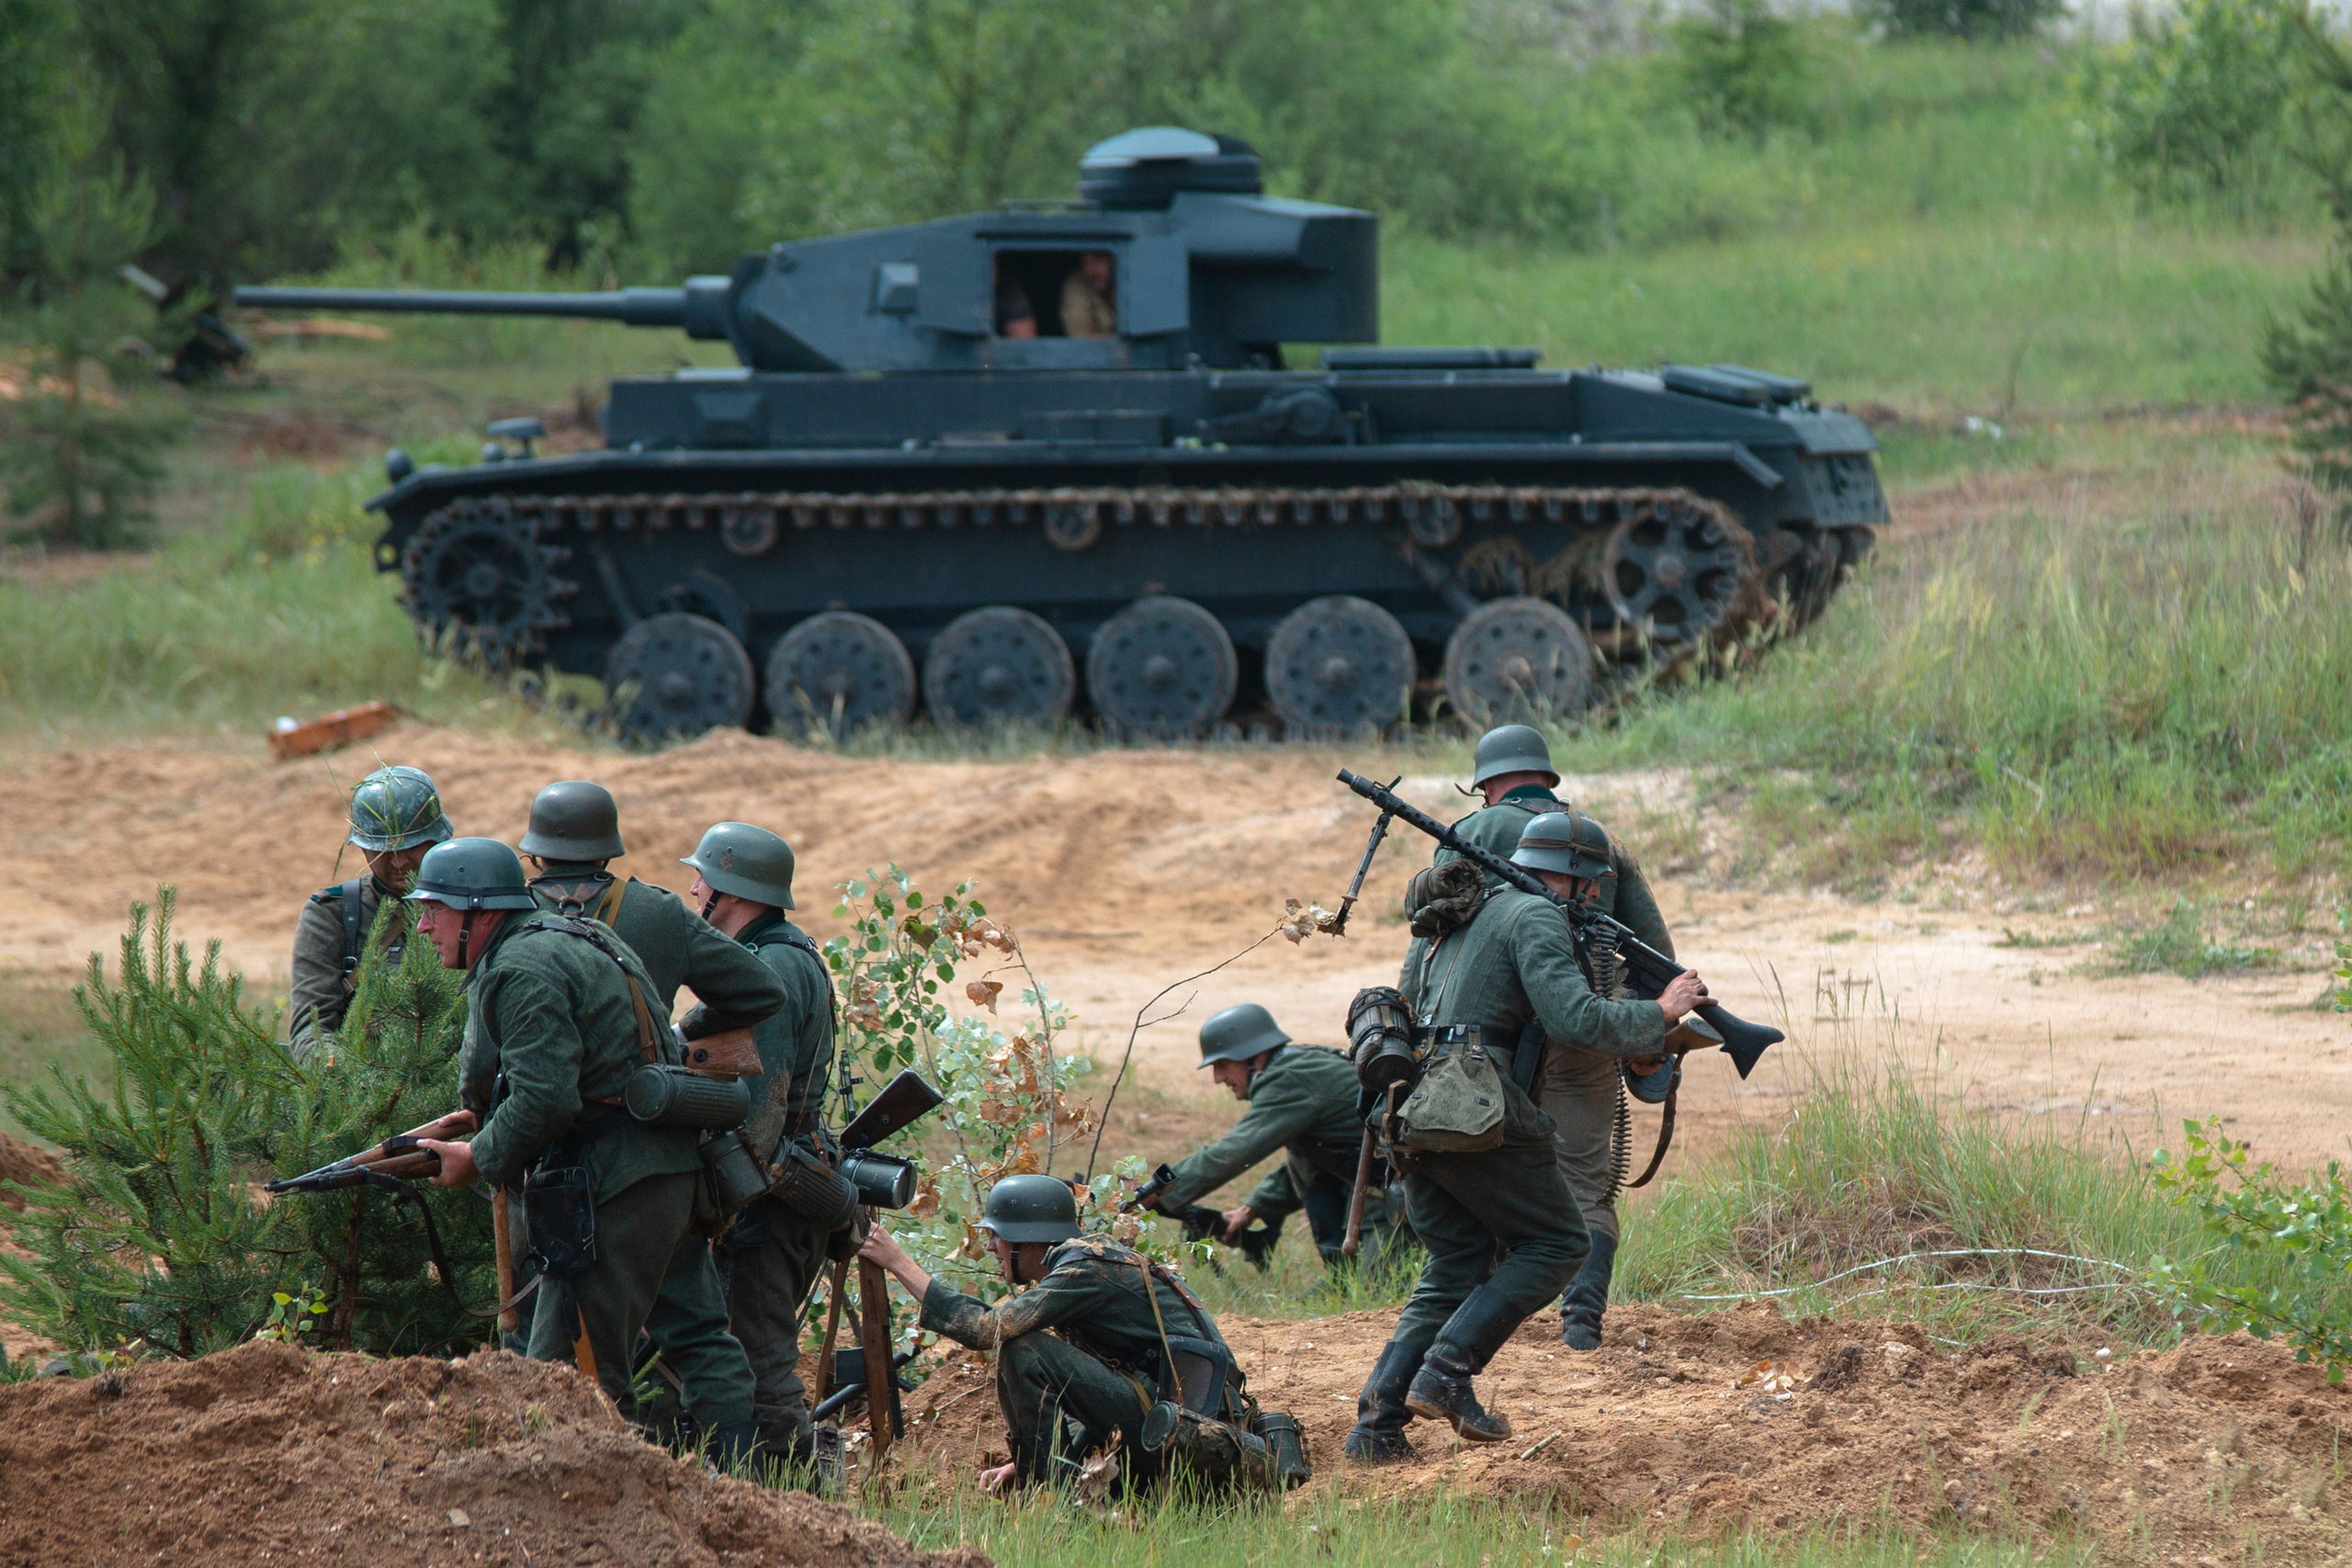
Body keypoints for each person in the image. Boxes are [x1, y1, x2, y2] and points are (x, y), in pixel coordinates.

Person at [1345, 815, 1707, 1462]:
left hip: (1412, 1109)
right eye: (1589, 884)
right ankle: (1449, 1369)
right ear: (1567, 874)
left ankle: (1375, 1426)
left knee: (1455, 1262)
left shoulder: (1462, 915)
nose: (1592, 896)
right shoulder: (1535, 916)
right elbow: (1576, 1018)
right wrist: (1661, 1011)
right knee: (1561, 1241)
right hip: (1476, 1111)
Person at [407, 837, 767, 1465]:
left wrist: (477, 1155)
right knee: (644, 1351)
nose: (424, 924)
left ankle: (616, 1517)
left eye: (435, 907)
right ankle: (714, 1501)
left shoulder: (521, 966)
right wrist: (486, 1114)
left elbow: (547, 1100)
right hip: (656, 1173)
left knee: (576, 1383)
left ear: (478, 908)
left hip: (617, 1187)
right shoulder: (568, 936)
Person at [514, 781, 790, 1452]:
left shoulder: (518, 922)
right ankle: (743, 1485)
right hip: (666, 1160)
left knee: (565, 1346)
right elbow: (761, 989)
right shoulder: (657, 913)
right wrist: (672, 1039)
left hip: (572, 1163)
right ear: (608, 848)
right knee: (698, 1330)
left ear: (537, 856)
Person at [1425, 723, 1675, 1352]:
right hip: (1586, 1027)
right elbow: (1656, 955)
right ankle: (1582, 1323)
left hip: (1490, 1036)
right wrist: (1653, 1029)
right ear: (1546, 776)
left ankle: (1473, 1319)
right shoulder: (1599, 839)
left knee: (1485, 1161)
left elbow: (1435, 933)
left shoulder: (1473, 833)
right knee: (1585, 1180)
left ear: (1486, 783)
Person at [859, 1176, 1250, 1495]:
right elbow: (1097, 1394)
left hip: (1193, 1438)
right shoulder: (1081, 1263)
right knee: (1028, 1351)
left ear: (1029, 1239)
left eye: (998, 1235)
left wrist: (896, 1260)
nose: (991, 1246)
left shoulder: (1083, 1270)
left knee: (1024, 1350)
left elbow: (987, 1329)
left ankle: (1049, 1499)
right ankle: (1051, 1486)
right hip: (1175, 1427)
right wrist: (1024, 1462)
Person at [675, 821, 838, 1465]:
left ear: (733, 893)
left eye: (703, 880)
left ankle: (790, 1497)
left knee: (759, 1358)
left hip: (765, 1199)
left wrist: (717, 1206)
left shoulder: (772, 965)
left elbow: (757, 1111)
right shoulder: (783, 955)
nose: (692, 888)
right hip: (777, 1190)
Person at [1145, 1002, 1408, 1272]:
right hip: (1378, 1180)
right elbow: (1314, 1157)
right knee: (1302, 1151)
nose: (1217, 1078)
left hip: (1399, 1187)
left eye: (1222, 1064)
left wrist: (1155, 1189)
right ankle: (1340, 1278)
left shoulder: (1288, 1078)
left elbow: (1231, 1153)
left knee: (1376, 1293)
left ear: (1253, 1057)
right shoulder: (1295, 1066)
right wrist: (1253, 1209)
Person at [288, 765, 453, 1058]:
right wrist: (350, 1076)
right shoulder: (332, 913)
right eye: (383, 850)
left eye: (412, 846)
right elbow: (311, 1030)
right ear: (363, 849)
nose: (399, 861)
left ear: (437, 839)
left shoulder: (473, 903)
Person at [1060, 251, 1116, 338]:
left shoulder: (1129, 282)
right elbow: (1080, 336)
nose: (1091, 270)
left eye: (1099, 260)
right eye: (1085, 262)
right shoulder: (1077, 284)